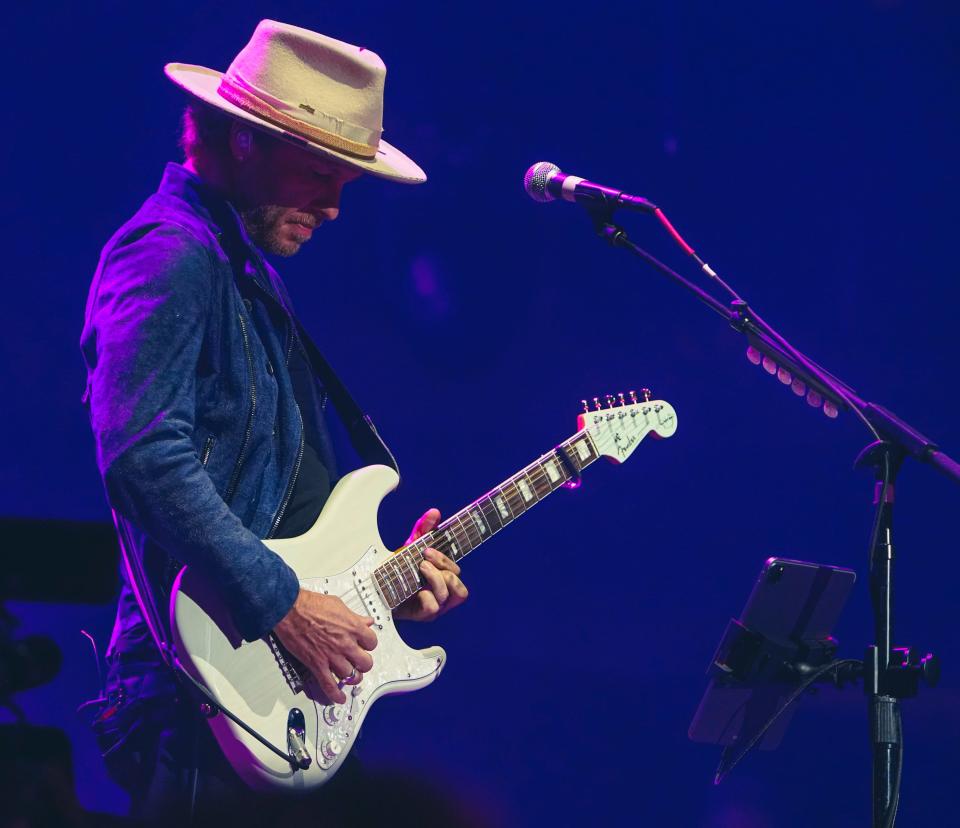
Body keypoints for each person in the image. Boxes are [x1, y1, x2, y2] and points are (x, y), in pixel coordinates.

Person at [80, 20, 468, 822]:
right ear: (246, 140)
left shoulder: (240, 263)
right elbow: (144, 456)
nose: (332, 206)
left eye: (344, 182)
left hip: (261, 692)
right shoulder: (169, 254)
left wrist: (375, 585)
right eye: (318, 172)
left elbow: (272, 510)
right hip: (199, 698)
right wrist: (286, 604)